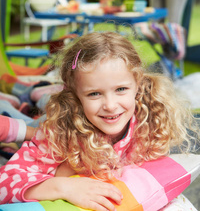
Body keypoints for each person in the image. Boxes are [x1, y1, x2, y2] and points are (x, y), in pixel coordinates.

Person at [0, 32, 198, 209]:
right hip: (53, 120)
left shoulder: (150, 120)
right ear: (75, 94)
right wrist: (62, 185)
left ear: (138, 83)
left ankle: (33, 98)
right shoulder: (59, 132)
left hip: (68, 113)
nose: (110, 105)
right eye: (94, 93)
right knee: (26, 120)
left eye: (121, 89)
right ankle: (22, 102)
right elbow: (4, 182)